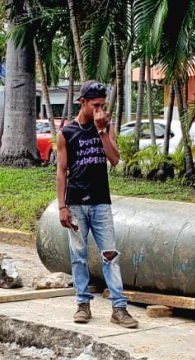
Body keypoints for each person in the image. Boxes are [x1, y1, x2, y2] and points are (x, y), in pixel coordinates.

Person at [56, 80, 138, 329]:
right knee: (78, 256)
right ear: (83, 103)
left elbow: (114, 159)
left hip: (101, 203)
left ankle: (119, 308)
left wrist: (102, 130)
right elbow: (61, 171)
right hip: (77, 203)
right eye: (95, 106)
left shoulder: (106, 127)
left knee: (110, 254)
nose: (100, 110)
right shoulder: (67, 133)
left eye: (102, 105)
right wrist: (62, 206)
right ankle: (83, 303)